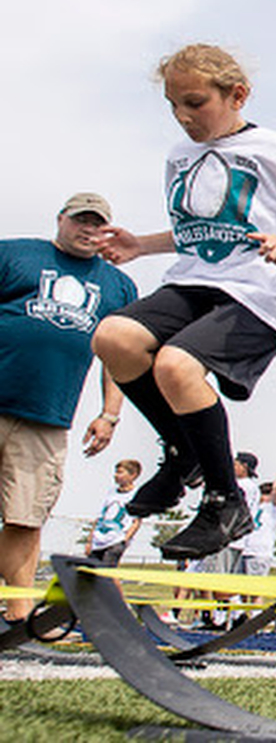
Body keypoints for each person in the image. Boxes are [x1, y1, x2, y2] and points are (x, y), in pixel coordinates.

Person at [92, 44, 276, 561]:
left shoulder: (271, 148)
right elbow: (202, 232)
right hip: (196, 280)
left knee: (176, 366)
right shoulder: (179, 157)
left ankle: (224, 502)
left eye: (194, 103)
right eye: (173, 106)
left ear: (237, 95)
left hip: (260, 292)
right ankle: (183, 452)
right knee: (113, 337)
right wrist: (141, 244)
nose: (183, 117)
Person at [0, 192, 137, 621]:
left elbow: (117, 358)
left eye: (98, 224)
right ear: (61, 219)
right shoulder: (15, 254)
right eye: (81, 220)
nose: (89, 230)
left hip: (47, 417)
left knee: (26, 518)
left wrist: (109, 414)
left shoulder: (117, 286)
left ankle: (18, 616)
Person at [85, 459, 143, 566]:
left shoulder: (136, 494)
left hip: (116, 539)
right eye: (116, 472)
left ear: (133, 475)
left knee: (106, 573)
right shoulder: (111, 492)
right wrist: (90, 540)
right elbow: (100, 517)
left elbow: (136, 521)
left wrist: (125, 539)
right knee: (91, 571)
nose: (116, 475)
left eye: (120, 472)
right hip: (99, 539)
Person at [242, 471, 276, 579]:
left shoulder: (274, 509)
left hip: (260, 553)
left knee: (255, 591)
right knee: (241, 589)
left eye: (267, 494)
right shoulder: (253, 506)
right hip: (245, 550)